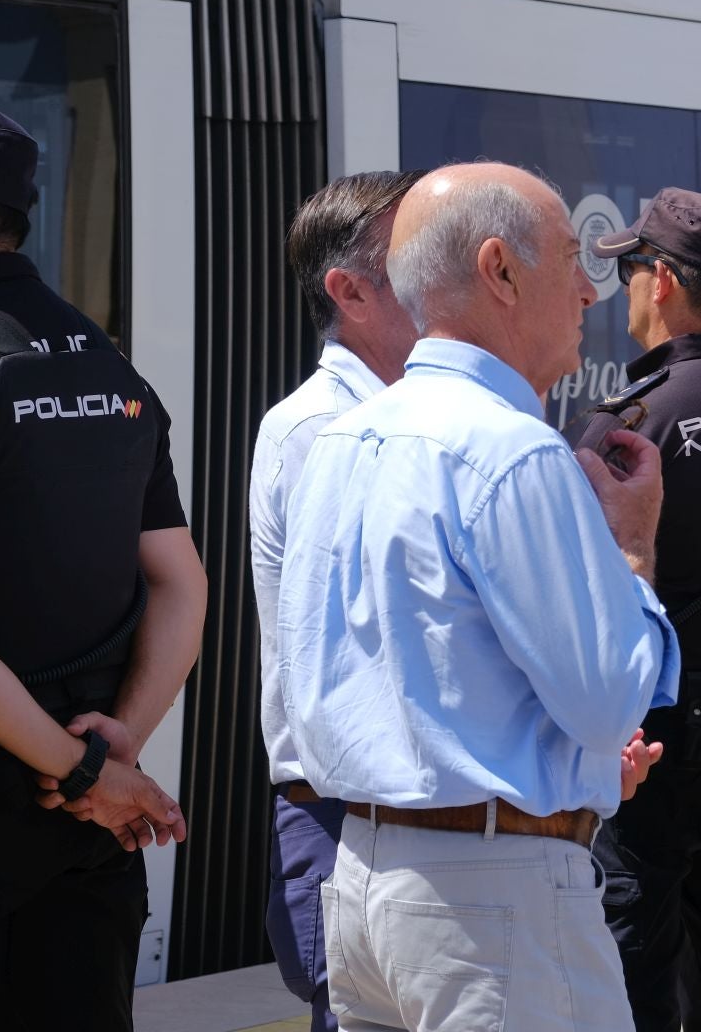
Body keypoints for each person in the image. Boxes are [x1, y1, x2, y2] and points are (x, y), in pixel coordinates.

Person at [277, 163, 682, 1030]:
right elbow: (611, 699)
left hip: (363, 883)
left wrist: (558, 768)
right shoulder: (512, 451)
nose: (587, 290)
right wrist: (633, 548)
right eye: (573, 261)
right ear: (499, 270)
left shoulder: (337, 440)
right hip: (492, 902)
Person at [0, 96, 202, 1028]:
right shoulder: (110, 366)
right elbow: (179, 582)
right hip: (84, 825)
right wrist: (111, 746)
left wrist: (86, 773)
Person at [572, 188, 701, 1030]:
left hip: (649, 742)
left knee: (634, 974)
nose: (624, 287)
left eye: (630, 268)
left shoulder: (628, 425)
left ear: (659, 280)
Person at [248, 169, 423, 1031]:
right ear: (350, 292)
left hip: (385, 807)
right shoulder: (327, 430)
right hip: (345, 810)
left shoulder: (406, 415)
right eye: (418, 258)